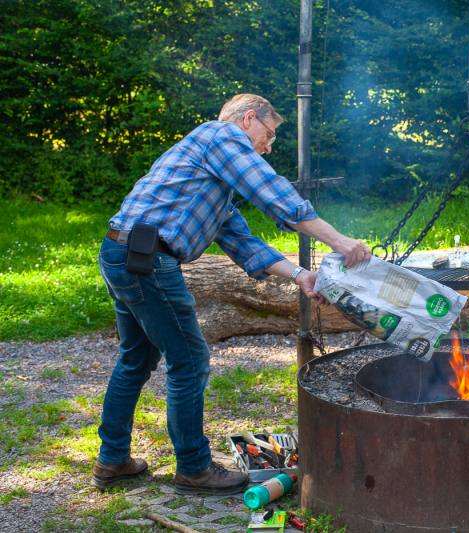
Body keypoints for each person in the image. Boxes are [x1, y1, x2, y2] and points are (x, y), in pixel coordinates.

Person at [92, 94, 372, 495]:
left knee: (136, 358)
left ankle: (113, 459)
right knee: (189, 360)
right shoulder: (220, 137)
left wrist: (301, 276)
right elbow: (277, 196)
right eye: (268, 134)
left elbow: (244, 243)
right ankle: (193, 467)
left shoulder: (210, 182)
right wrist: (341, 242)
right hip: (145, 259)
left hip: (125, 252)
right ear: (248, 119)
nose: (268, 146)